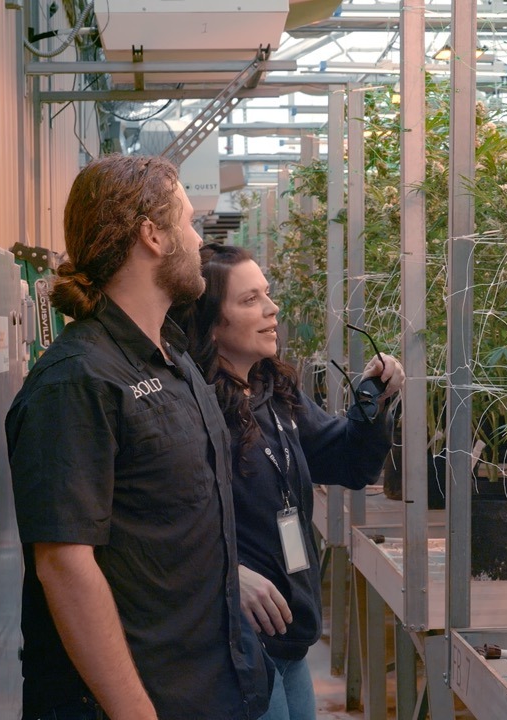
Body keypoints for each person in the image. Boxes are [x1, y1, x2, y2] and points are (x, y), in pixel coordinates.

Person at [6, 156, 271, 720]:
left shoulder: (175, 362)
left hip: (211, 685)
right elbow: (66, 566)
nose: (199, 240)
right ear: (152, 235)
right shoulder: (77, 380)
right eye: (189, 222)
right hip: (139, 700)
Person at [170, 244, 403, 720]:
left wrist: (370, 407)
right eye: (250, 299)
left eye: (268, 294)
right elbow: (166, 522)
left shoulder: (272, 390)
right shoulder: (192, 409)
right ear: (212, 323)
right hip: (239, 639)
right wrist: (228, 574)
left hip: (289, 630)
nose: (272, 308)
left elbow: (348, 464)